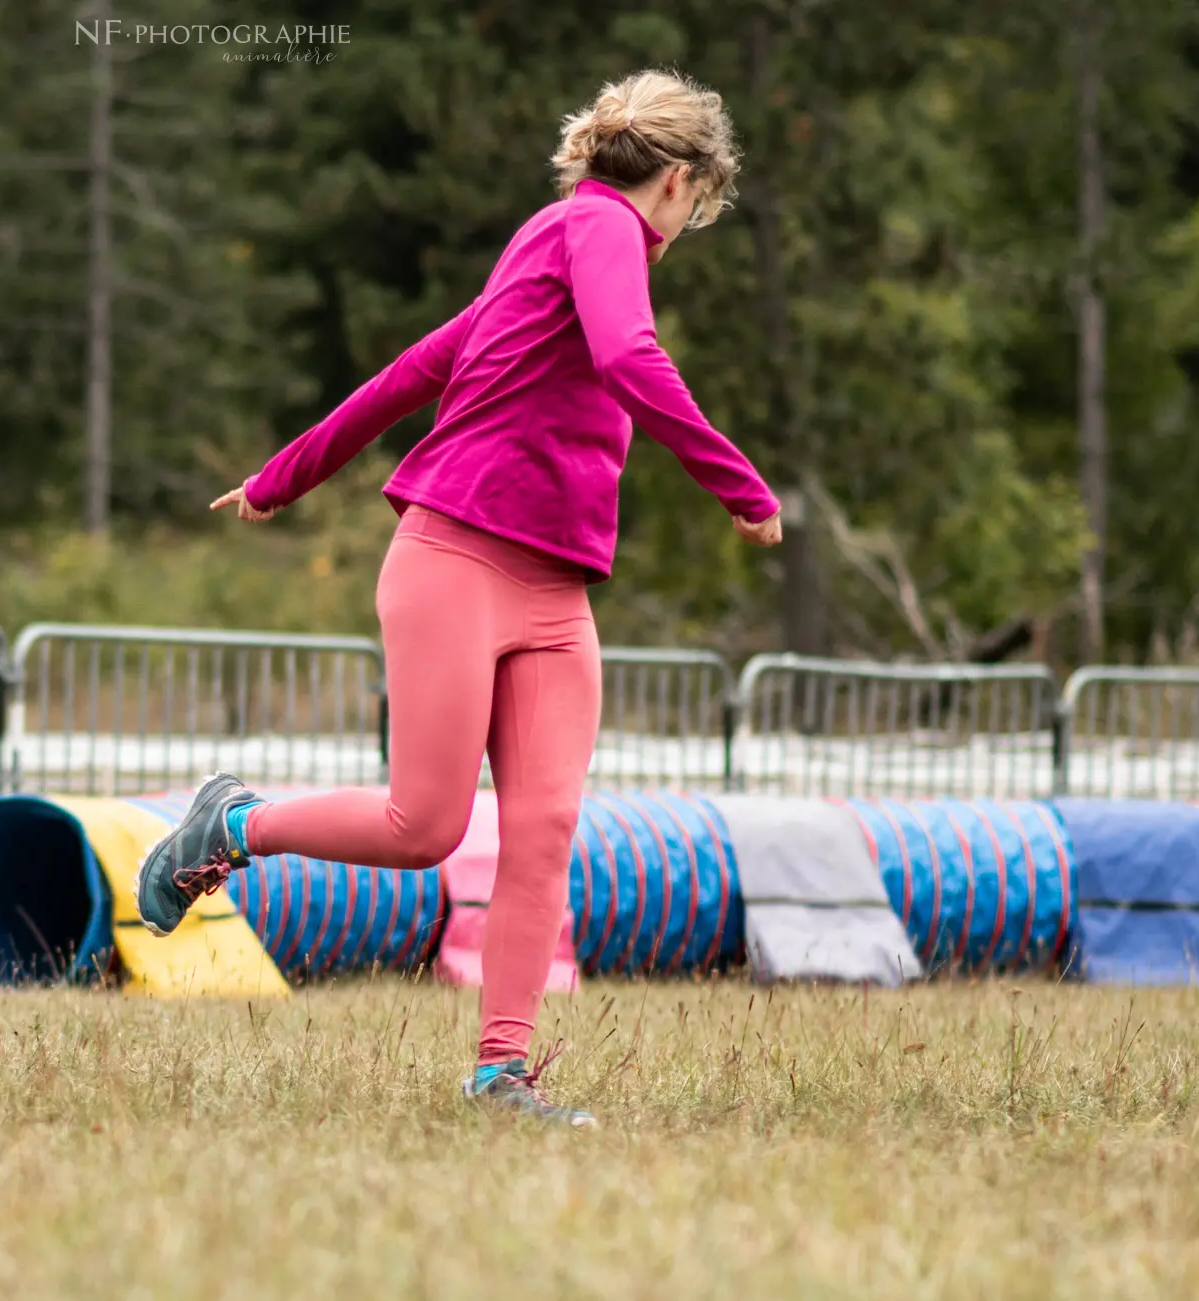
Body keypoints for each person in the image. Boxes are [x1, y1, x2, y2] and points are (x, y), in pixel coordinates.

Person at [136, 69, 784, 1126]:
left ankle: (501, 1073)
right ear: (676, 180)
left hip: (554, 585)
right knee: (422, 822)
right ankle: (233, 822)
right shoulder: (598, 228)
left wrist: (280, 475)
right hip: (456, 559)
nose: (686, 228)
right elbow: (627, 352)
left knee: (541, 831)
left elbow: (414, 368)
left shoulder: (551, 251)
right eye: (697, 208)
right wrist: (737, 483)